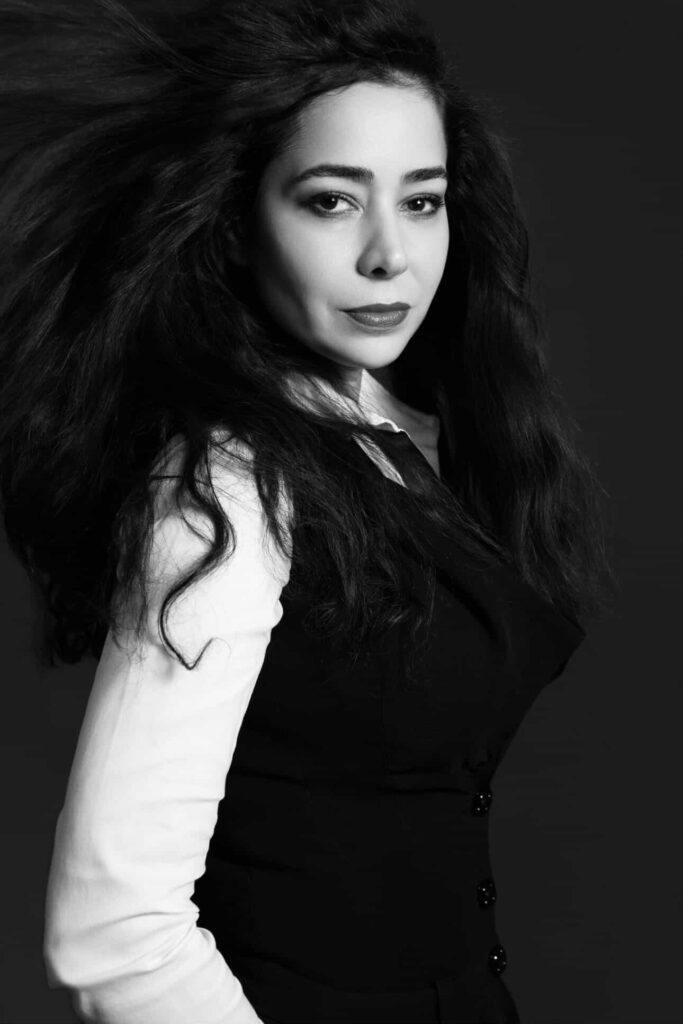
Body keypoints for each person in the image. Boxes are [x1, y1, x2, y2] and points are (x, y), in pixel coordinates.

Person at [0, 0, 616, 1021]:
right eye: (330, 201)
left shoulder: (416, 433)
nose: (388, 255)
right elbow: (114, 931)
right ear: (236, 225)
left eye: (422, 201)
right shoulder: (226, 488)